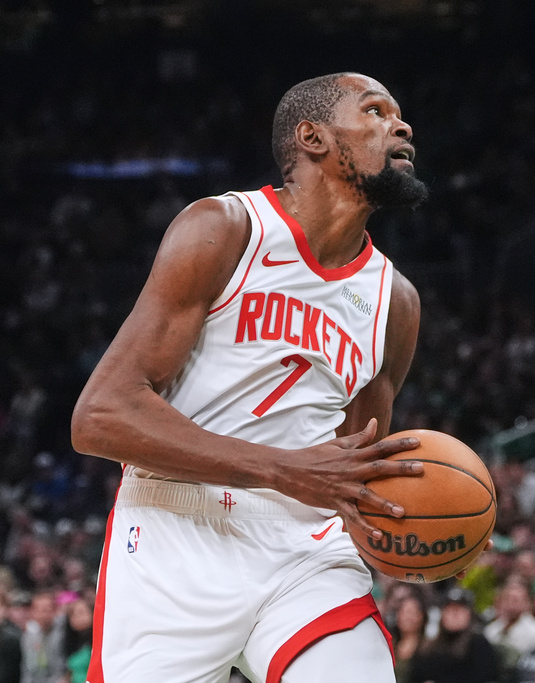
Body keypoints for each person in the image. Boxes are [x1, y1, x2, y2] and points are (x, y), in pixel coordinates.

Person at [70, 72, 435, 683]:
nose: (401, 126)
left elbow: (353, 470)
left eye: (398, 114)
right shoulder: (226, 228)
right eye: (374, 111)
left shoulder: (396, 301)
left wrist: (426, 526)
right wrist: (283, 469)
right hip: (177, 528)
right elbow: (100, 416)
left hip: (306, 550)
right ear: (313, 137)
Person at [407, 588, 500, 683]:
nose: (454, 615)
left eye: (459, 610)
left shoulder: (479, 644)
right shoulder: (430, 647)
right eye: (450, 609)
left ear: (469, 614)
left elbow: (485, 677)